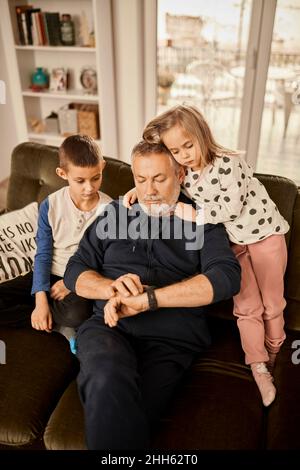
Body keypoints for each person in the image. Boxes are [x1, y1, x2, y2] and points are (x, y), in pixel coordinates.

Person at [63, 140, 241, 449]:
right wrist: (111, 288)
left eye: (159, 178)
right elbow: (75, 269)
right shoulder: (114, 214)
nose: (149, 190)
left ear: (180, 174)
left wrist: (150, 299)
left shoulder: (202, 221)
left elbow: (226, 278)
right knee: (106, 378)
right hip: (110, 325)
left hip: (170, 338)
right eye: (141, 180)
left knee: (130, 417)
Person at [124, 104, 289, 408]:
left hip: (264, 236)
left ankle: (276, 351)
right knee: (247, 306)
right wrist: (137, 191)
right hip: (236, 244)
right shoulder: (183, 173)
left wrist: (192, 213)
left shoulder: (230, 163)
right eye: (176, 150)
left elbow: (230, 208)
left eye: (188, 145)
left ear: (202, 135)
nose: (184, 154)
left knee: (272, 303)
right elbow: (161, 180)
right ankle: (258, 365)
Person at [31, 134, 111, 336]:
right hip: (51, 271)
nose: (89, 188)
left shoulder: (110, 209)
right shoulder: (50, 205)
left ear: (102, 166)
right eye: (80, 180)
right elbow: (43, 254)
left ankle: (56, 318)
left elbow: (106, 260)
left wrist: (71, 284)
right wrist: (40, 298)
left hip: (82, 278)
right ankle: (43, 309)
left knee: (76, 313)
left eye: (96, 178)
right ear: (62, 173)